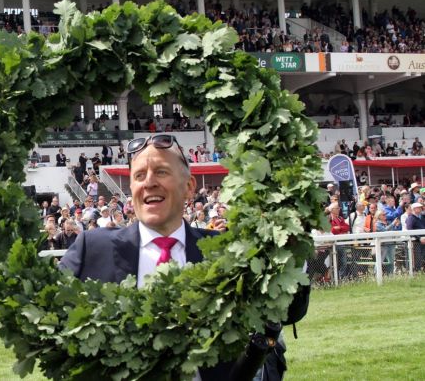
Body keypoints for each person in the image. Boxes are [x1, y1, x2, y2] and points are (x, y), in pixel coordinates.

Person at [60, 134, 292, 380]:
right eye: (139, 176)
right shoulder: (93, 247)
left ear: (189, 187)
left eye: (161, 172)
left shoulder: (225, 251)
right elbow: (38, 311)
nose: (148, 182)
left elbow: (288, 309)